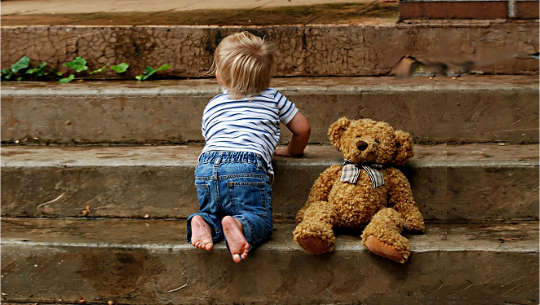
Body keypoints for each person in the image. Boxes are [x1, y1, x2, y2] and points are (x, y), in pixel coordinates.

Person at [186, 31, 310, 263]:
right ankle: (240, 225)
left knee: (214, 211)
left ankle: (202, 221)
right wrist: (293, 150)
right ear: (266, 76)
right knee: (259, 218)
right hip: (247, 165)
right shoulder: (273, 97)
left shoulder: (213, 104)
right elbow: (302, 129)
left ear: (221, 76)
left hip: (207, 164)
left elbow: (210, 136)